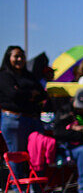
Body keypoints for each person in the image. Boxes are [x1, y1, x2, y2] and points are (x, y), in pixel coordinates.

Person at [1, 45, 48, 179]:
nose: (20, 59)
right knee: (17, 154)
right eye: (16, 56)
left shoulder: (29, 76)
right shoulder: (4, 76)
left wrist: (24, 93)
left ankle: (35, 186)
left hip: (32, 119)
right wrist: (30, 93)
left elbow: (42, 94)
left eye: (22, 56)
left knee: (36, 152)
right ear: (8, 57)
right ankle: (17, 188)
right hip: (14, 120)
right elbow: (12, 94)